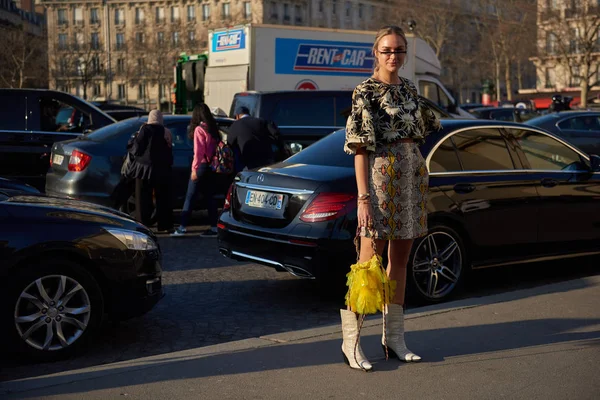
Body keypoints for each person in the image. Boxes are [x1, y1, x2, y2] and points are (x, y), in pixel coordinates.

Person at [341, 25, 441, 371]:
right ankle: (351, 343)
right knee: (369, 264)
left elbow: (426, 128)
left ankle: (394, 338)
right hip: (380, 181)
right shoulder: (365, 91)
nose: (393, 56)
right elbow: (358, 147)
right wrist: (363, 197)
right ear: (375, 53)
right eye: (386, 50)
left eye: (399, 50)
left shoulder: (410, 89)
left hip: (411, 179)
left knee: (400, 261)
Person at [172, 103, 220, 237]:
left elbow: (198, 152)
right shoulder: (212, 129)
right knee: (210, 197)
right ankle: (214, 227)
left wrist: (194, 169)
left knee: (190, 197)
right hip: (211, 166)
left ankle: (182, 227)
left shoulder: (199, 129)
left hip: (201, 166)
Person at [129, 110, 174, 232]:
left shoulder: (145, 129)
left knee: (143, 198)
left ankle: (143, 225)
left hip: (144, 168)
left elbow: (137, 149)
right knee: (163, 198)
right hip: (162, 169)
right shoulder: (166, 131)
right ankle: (165, 225)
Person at [226, 106, 276, 171]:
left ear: (237, 116)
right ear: (249, 114)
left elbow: (230, 144)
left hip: (248, 162)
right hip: (267, 160)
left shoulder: (236, 124)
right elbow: (275, 134)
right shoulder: (261, 121)